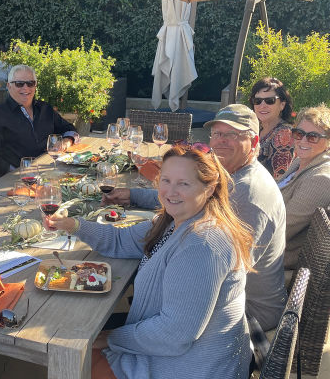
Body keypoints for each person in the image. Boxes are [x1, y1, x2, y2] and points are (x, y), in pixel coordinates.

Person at [48, 145, 253, 378]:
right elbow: (119, 240)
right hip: (170, 350)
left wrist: (110, 338)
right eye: (166, 180)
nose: (171, 191)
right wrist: (71, 225)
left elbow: (174, 335)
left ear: (209, 188)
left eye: (183, 184)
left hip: (191, 366)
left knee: (69, 359)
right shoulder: (172, 221)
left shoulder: (201, 244)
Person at [104, 104, 287, 331]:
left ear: (254, 142)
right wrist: (133, 195)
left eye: (232, 135)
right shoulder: (233, 174)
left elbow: (220, 272)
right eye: (217, 134)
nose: (221, 141)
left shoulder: (248, 195)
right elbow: (189, 195)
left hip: (247, 314)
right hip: (221, 303)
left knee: (110, 304)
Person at [0, 64, 79, 173]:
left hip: (50, 170)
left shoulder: (45, 109)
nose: (26, 88)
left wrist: (66, 141)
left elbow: (69, 129)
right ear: (9, 86)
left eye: (30, 83)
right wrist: (16, 173)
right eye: (19, 84)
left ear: (35, 85)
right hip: (17, 177)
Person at [277, 104, 330, 270]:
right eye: (299, 134)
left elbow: (282, 229)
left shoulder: (321, 179)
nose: (303, 141)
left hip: (275, 264)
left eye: (313, 137)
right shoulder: (300, 161)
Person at [249, 77, 295, 180]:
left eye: (270, 101)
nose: (262, 105)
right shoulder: (257, 129)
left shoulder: (284, 134)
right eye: (258, 101)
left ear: (282, 105)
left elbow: (278, 178)